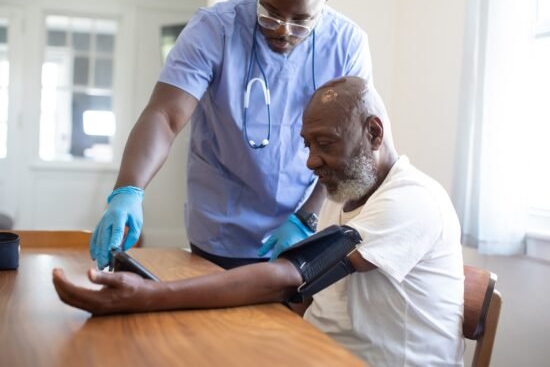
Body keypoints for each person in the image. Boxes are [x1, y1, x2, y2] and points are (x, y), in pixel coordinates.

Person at [54, 76, 465, 366]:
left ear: (374, 133)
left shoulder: (413, 201)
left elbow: (294, 275)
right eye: (307, 145)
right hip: (319, 353)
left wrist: (148, 297)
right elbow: (304, 293)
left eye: (325, 143)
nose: (310, 160)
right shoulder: (351, 196)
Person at [89, 0, 374, 270]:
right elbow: (165, 115)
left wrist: (307, 218)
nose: (283, 31)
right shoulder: (214, 28)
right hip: (219, 228)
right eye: (270, 15)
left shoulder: (346, 44)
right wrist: (128, 189)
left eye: (301, 22)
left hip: (301, 226)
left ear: (325, 1)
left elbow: (347, 150)